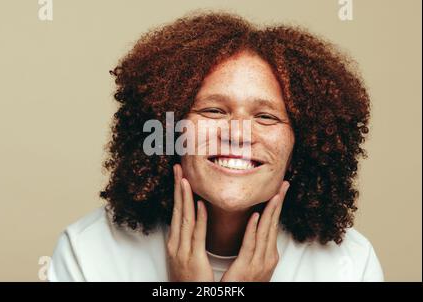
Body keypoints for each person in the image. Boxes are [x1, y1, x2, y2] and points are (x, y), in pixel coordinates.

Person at [48, 12, 384, 282]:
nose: (238, 135)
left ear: (303, 144)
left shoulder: (349, 266)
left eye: (266, 117)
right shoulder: (89, 252)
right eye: (213, 110)